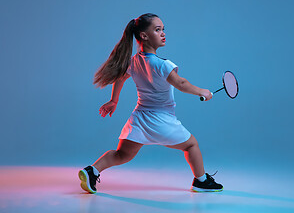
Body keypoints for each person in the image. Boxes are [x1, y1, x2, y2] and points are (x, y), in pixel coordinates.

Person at [78, 13, 223, 194]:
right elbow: (181, 84)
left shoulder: (133, 61)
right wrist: (202, 91)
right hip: (161, 119)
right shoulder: (162, 64)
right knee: (191, 145)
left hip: (139, 119)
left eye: (163, 29)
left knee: (122, 154)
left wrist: (114, 100)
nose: (163, 33)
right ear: (144, 36)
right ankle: (201, 181)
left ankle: (92, 170)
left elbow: (121, 78)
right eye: (157, 29)